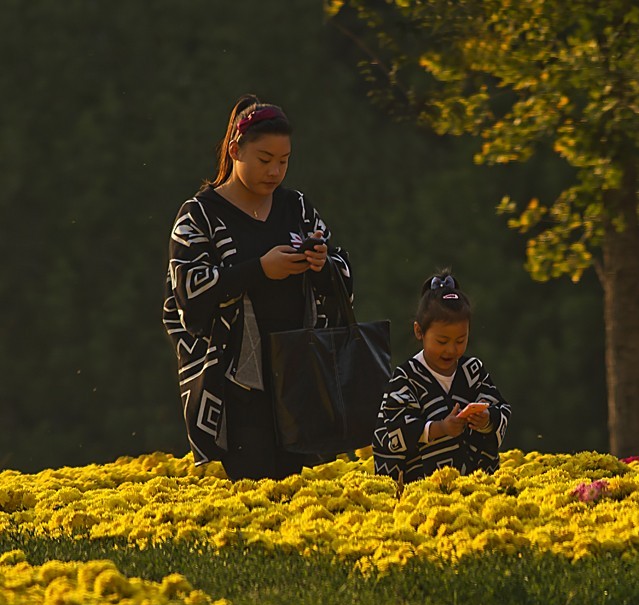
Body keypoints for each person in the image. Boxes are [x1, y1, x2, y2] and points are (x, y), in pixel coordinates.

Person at [162, 94, 352, 480]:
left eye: (284, 161)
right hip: (237, 388)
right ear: (235, 150)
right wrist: (260, 270)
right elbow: (188, 298)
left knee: (302, 500)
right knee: (251, 497)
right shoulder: (198, 215)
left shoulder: (296, 207)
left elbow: (343, 276)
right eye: (264, 160)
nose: (275, 171)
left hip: (299, 379)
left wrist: (320, 265)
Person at [372, 270, 511, 483]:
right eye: (442, 341)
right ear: (419, 332)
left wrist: (486, 420)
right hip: (421, 494)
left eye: (460, 340)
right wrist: (439, 428)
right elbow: (392, 431)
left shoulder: (473, 370)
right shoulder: (406, 377)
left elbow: (500, 409)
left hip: (476, 488)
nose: (451, 350)